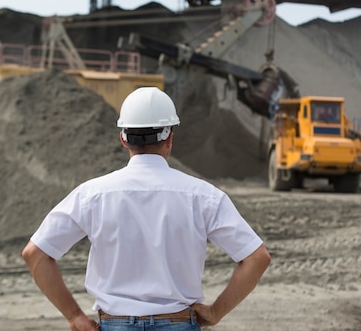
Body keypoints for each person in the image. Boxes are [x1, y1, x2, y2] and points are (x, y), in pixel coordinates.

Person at [22, 86, 271, 331]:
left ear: (123, 138)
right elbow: (256, 258)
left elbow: (36, 254)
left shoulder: (92, 195)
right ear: (170, 138)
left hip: (114, 324)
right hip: (179, 323)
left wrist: (74, 315)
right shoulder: (204, 196)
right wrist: (216, 312)